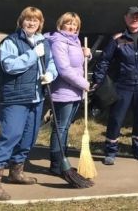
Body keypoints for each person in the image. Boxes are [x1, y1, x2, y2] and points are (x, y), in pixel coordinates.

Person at [0, 6, 57, 201]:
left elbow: (51, 62)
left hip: (36, 97)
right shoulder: (10, 42)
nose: (32, 23)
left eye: (36, 20)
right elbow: (9, 66)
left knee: (29, 137)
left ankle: (16, 172)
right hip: (16, 98)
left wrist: (51, 74)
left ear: (40, 23)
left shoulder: (43, 41)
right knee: (10, 136)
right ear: (21, 21)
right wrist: (34, 54)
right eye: (28, 19)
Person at [93, 6, 138, 165]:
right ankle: (111, 151)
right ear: (125, 18)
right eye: (132, 16)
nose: (135, 19)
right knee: (116, 119)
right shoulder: (117, 39)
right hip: (122, 85)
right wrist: (98, 80)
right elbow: (104, 60)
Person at [45, 12, 91, 175]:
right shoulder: (58, 42)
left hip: (75, 91)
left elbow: (78, 63)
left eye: (75, 24)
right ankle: (56, 164)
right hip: (63, 92)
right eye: (68, 23)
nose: (72, 27)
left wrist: (87, 54)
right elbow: (64, 69)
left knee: (65, 127)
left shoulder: (74, 40)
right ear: (61, 24)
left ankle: (62, 159)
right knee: (60, 128)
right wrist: (84, 84)